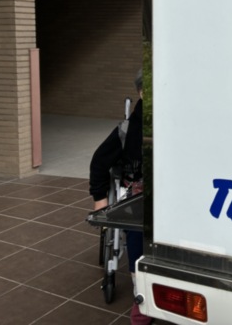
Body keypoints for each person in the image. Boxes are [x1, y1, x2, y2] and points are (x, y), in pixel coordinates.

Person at [89, 70, 150, 325]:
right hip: (137, 199)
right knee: (137, 236)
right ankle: (142, 295)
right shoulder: (127, 130)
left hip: (169, 197)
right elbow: (99, 162)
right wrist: (100, 199)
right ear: (141, 93)